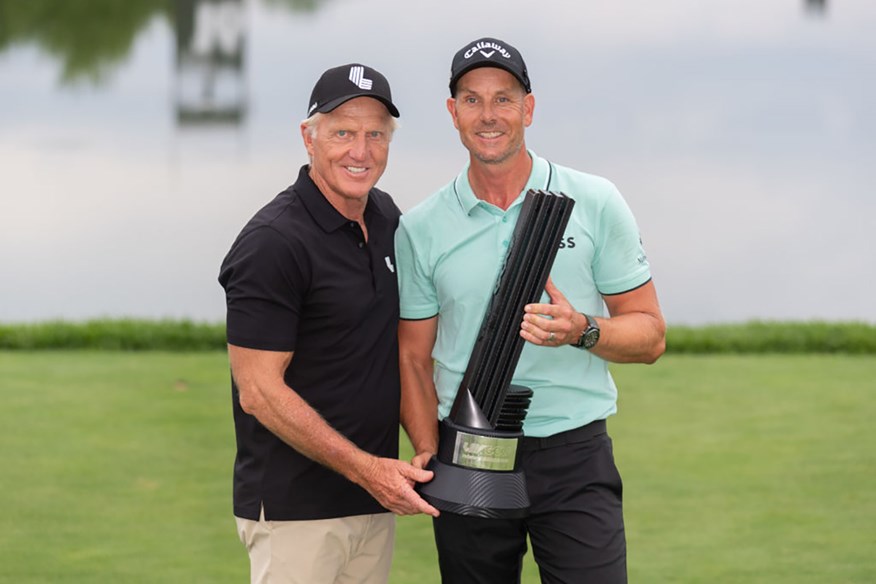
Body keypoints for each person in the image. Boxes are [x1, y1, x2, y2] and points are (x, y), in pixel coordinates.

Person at [395, 38, 666, 584]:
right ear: (453, 113)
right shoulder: (420, 227)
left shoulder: (593, 201)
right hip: (468, 447)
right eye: (472, 100)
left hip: (574, 453)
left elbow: (650, 334)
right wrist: (431, 450)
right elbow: (411, 357)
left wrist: (582, 330)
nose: (489, 115)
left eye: (504, 98)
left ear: (529, 108)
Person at [218, 63, 438, 584]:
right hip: (297, 511)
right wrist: (370, 470)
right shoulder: (272, 242)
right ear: (308, 138)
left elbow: (398, 351)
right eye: (342, 132)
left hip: (373, 501)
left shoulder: (386, 218)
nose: (359, 151)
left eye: (375, 135)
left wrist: (427, 447)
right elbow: (258, 391)